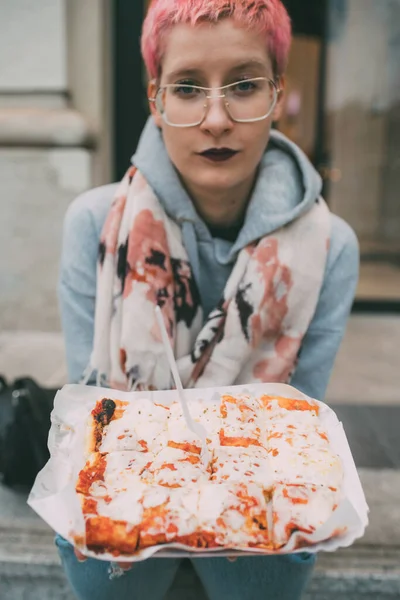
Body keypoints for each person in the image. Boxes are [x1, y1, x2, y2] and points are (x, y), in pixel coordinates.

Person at [57, 0, 359, 598]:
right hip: (127, 489)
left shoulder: (331, 246)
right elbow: (99, 422)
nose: (216, 118)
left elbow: (294, 430)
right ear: (155, 100)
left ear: (277, 91)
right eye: (188, 88)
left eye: (243, 85)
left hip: (259, 496)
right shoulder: (95, 223)